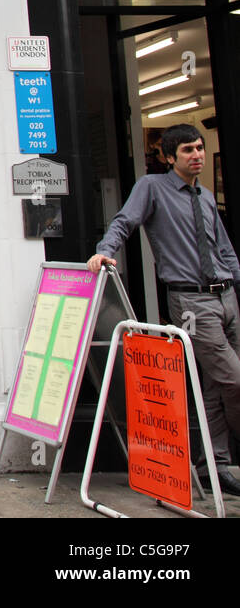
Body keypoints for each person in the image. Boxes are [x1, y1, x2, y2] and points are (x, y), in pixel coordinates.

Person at [88, 123, 240, 496]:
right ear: (170, 157)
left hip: (225, 297)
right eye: (188, 150)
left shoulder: (203, 195)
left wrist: (234, 278)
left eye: (200, 148)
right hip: (191, 299)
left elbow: (220, 243)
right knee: (233, 379)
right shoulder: (152, 188)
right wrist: (106, 250)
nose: (198, 155)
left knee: (215, 386)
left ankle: (215, 465)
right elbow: (125, 221)